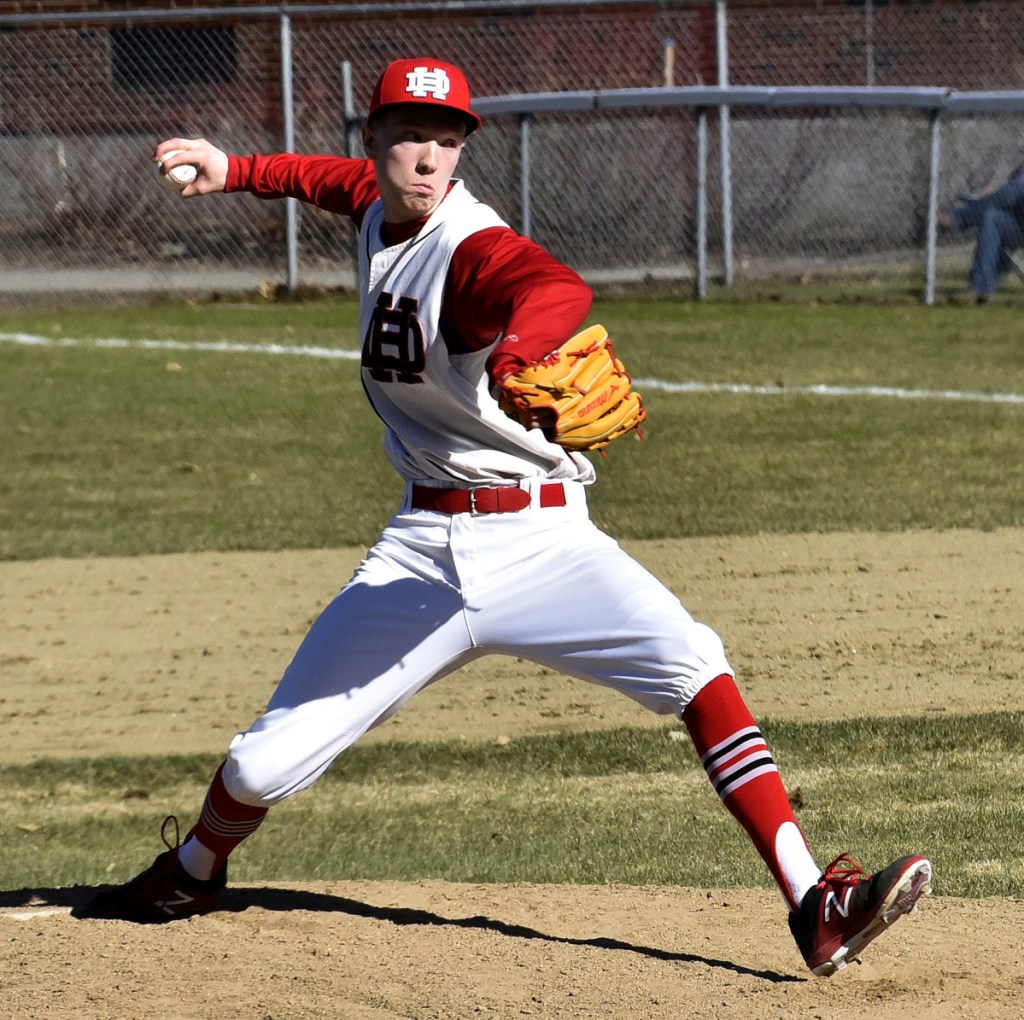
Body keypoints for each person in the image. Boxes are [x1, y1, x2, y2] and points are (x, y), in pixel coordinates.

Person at [81, 57, 931, 977]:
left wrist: (522, 348)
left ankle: (816, 903)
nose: (428, 158)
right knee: (253, 771)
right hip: (420, 553)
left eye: (447, 142)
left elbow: (553, 285)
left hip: (544, 541)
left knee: (696, 664)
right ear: (373, 141)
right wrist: (235, 168)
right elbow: (326, 183)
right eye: (410, 135)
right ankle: (194, 871)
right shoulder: (376, 204)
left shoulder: (470, 247)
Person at [938, 162, 1024, 303]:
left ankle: (960, 217)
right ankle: (979, 289)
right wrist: (994, 194)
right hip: (1018, 223)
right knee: (992, 218)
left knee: (1017, 188)